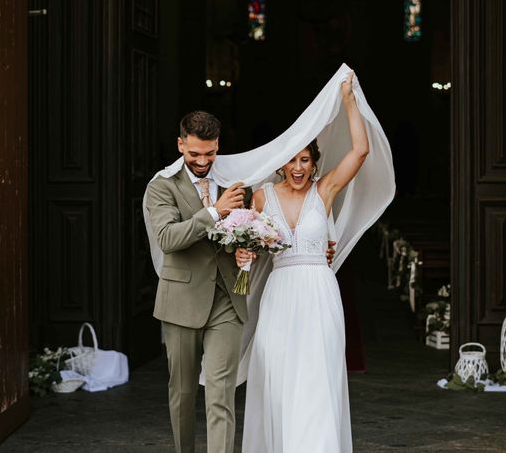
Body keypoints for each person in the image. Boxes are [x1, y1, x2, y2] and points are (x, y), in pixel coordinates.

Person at [238, 71, 367, 453]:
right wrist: (243, 252)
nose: (298, 167)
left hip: (318, 293)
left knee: (316, 375)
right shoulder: (261, 198)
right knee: (277, 373)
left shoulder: (324, 190)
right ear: (281, 163)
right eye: (292, 159)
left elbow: (360, 151)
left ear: (315, 163)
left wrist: (349, 102)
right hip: (279, 294)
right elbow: (252, 242)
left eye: (305, 160)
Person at [146, 111, 250, 453]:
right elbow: (167, 238)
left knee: (221, 393)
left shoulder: (235, 182)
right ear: (180, 145)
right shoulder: (161, 185)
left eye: (209, 153)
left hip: (227, 299)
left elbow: (247, 231)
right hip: (181, 301)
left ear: (218, 144)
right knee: (183, 394)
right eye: (194, 154)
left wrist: (248, 251)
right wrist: (214, 212)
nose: (203, 161)